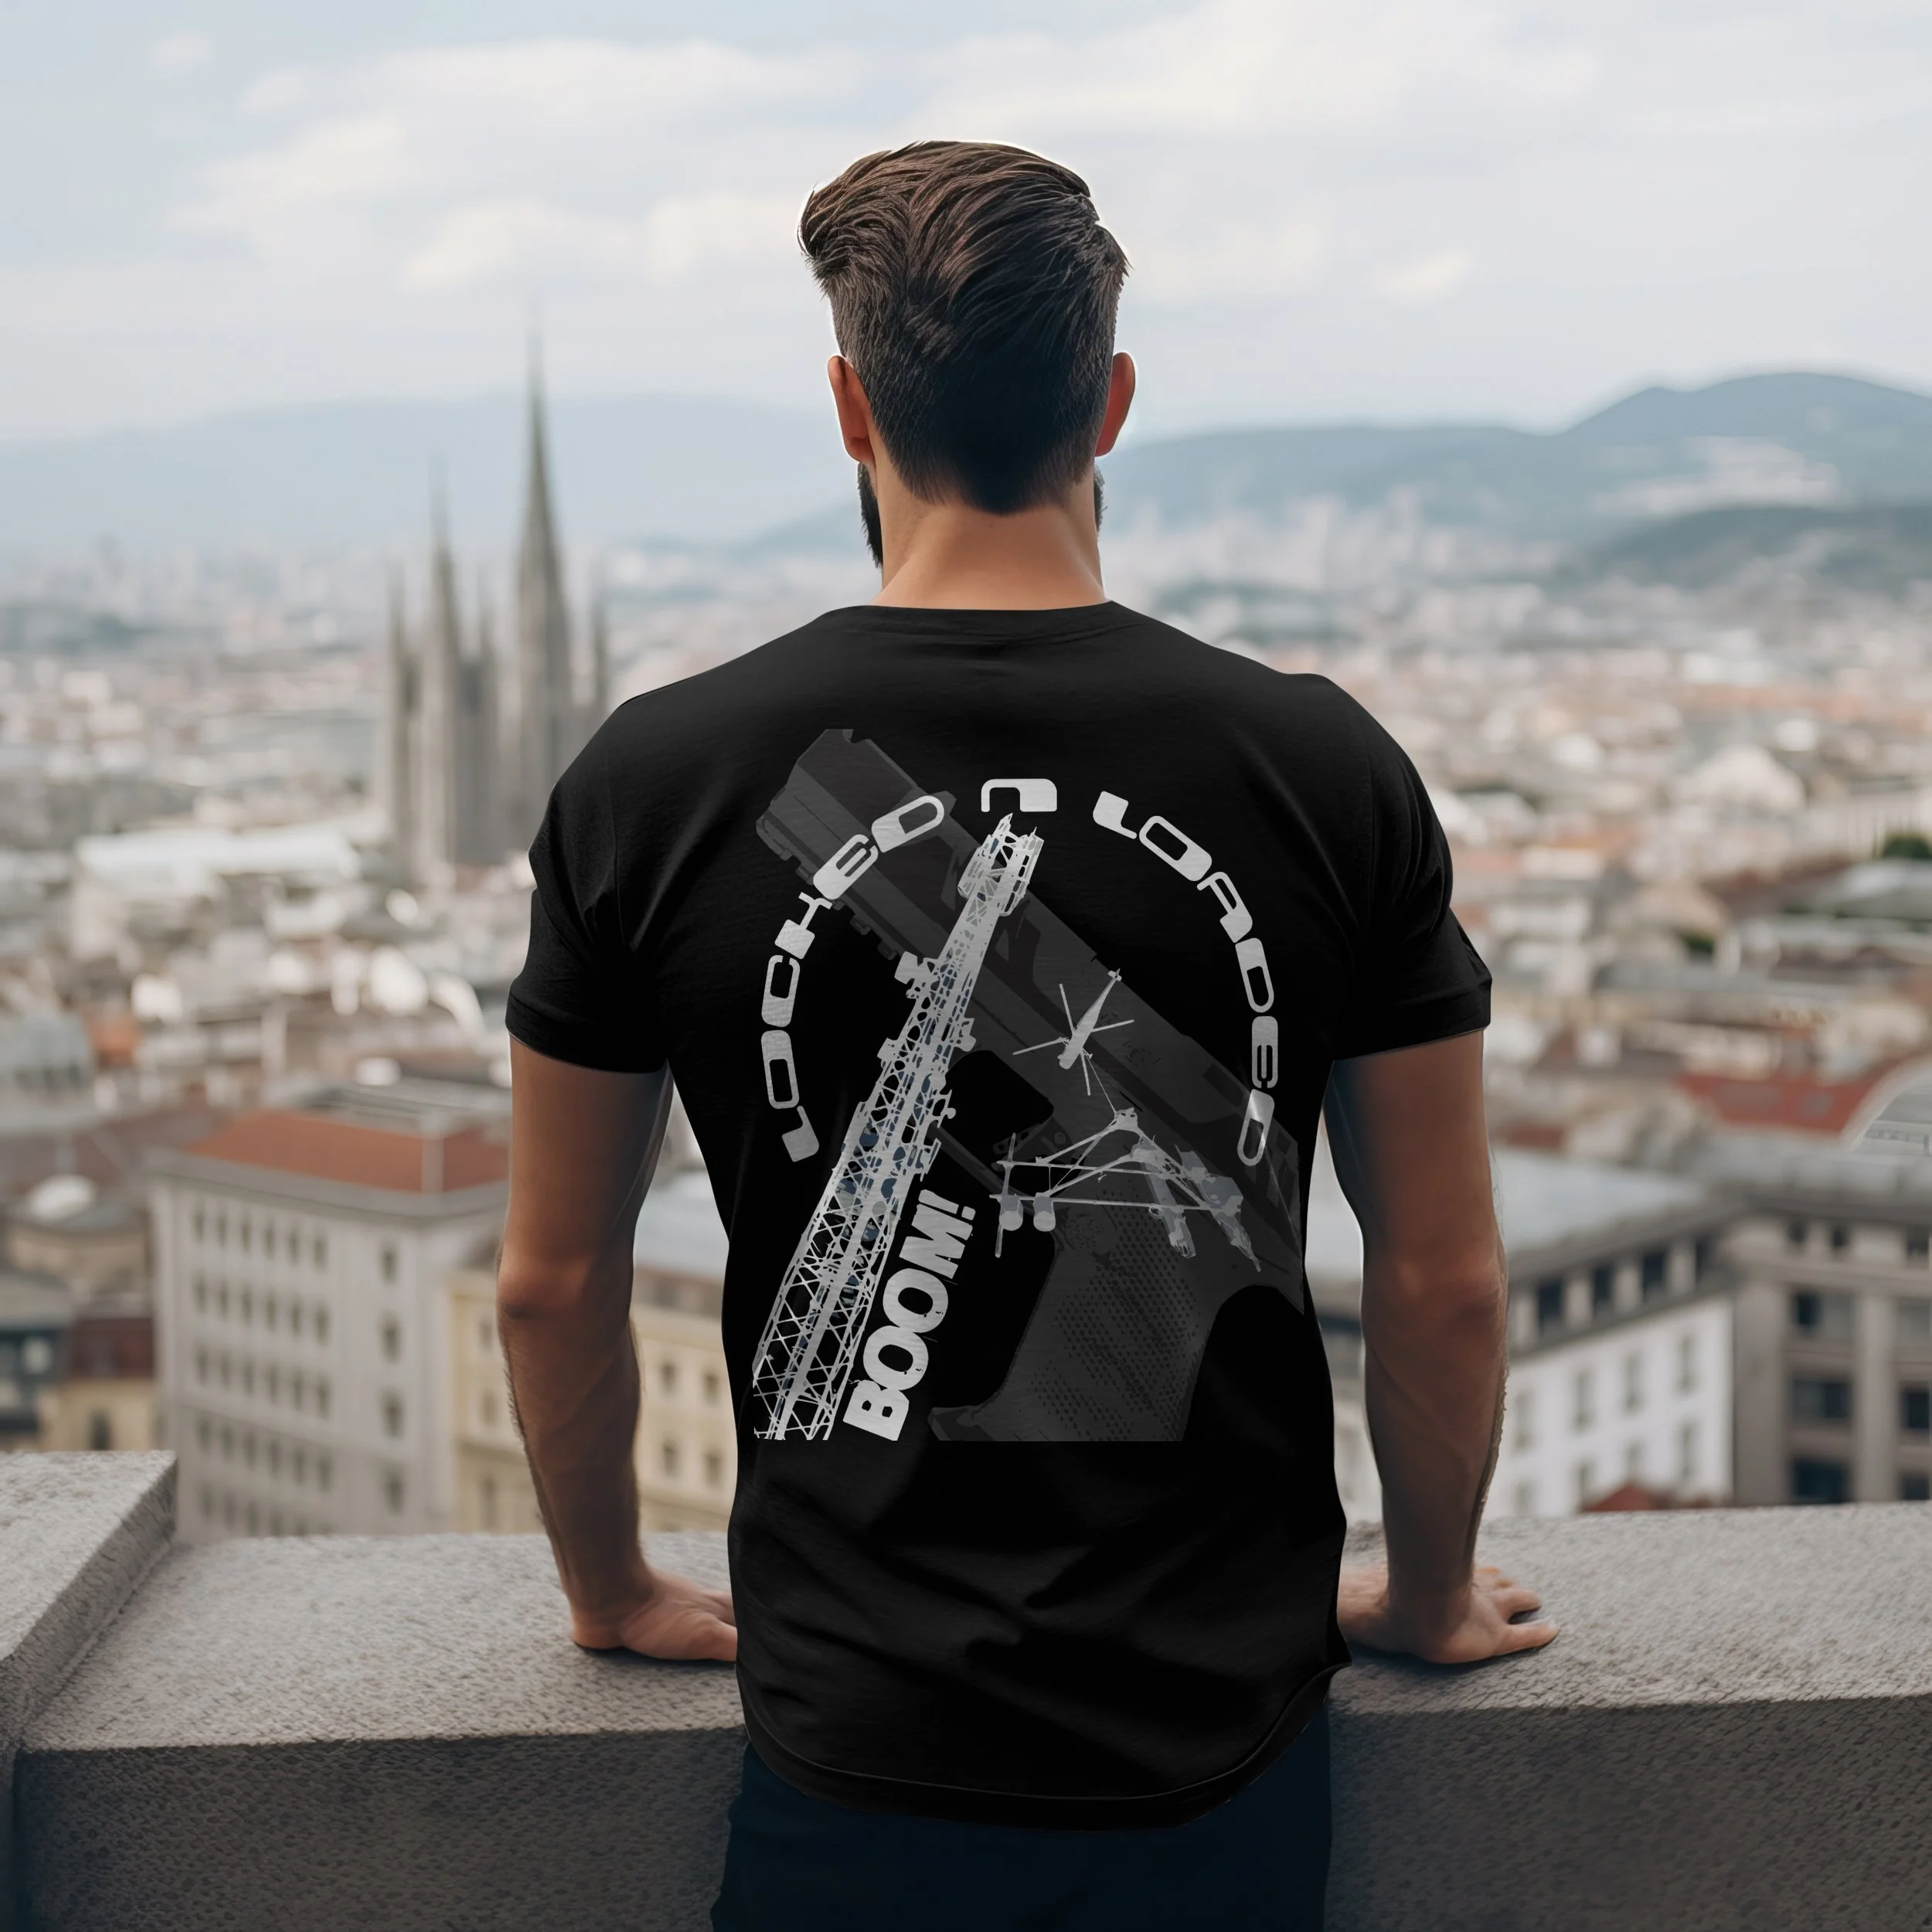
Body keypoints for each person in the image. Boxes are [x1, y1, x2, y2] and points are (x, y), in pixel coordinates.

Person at [498, 139, 1556, 1932]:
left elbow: (546, 1278)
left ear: (848, 409)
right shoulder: (1312, 763)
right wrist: (1424, 1589)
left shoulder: (656, 778)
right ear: (1111, 401)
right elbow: (1441, 1275)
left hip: (851, 1728)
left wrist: (607, 1588)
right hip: (1211, 1739)